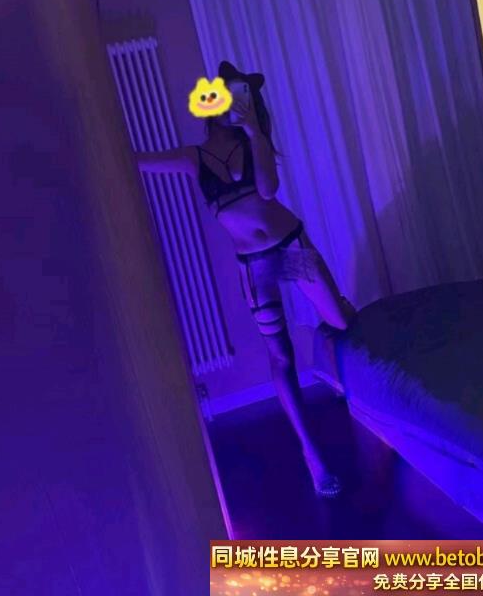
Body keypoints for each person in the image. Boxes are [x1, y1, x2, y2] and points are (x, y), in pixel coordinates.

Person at [137, 60, 356, 497]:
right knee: (280, 357)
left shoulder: (253, 141)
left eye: (242, 96)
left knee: (342, 323)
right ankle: (312, 456)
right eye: (227, 95)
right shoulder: (193, 158)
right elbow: (139, 162)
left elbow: (269, 190)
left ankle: (334, 360)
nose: (233, 103)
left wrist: (255, 131)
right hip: (256, 267)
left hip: (289, 249)